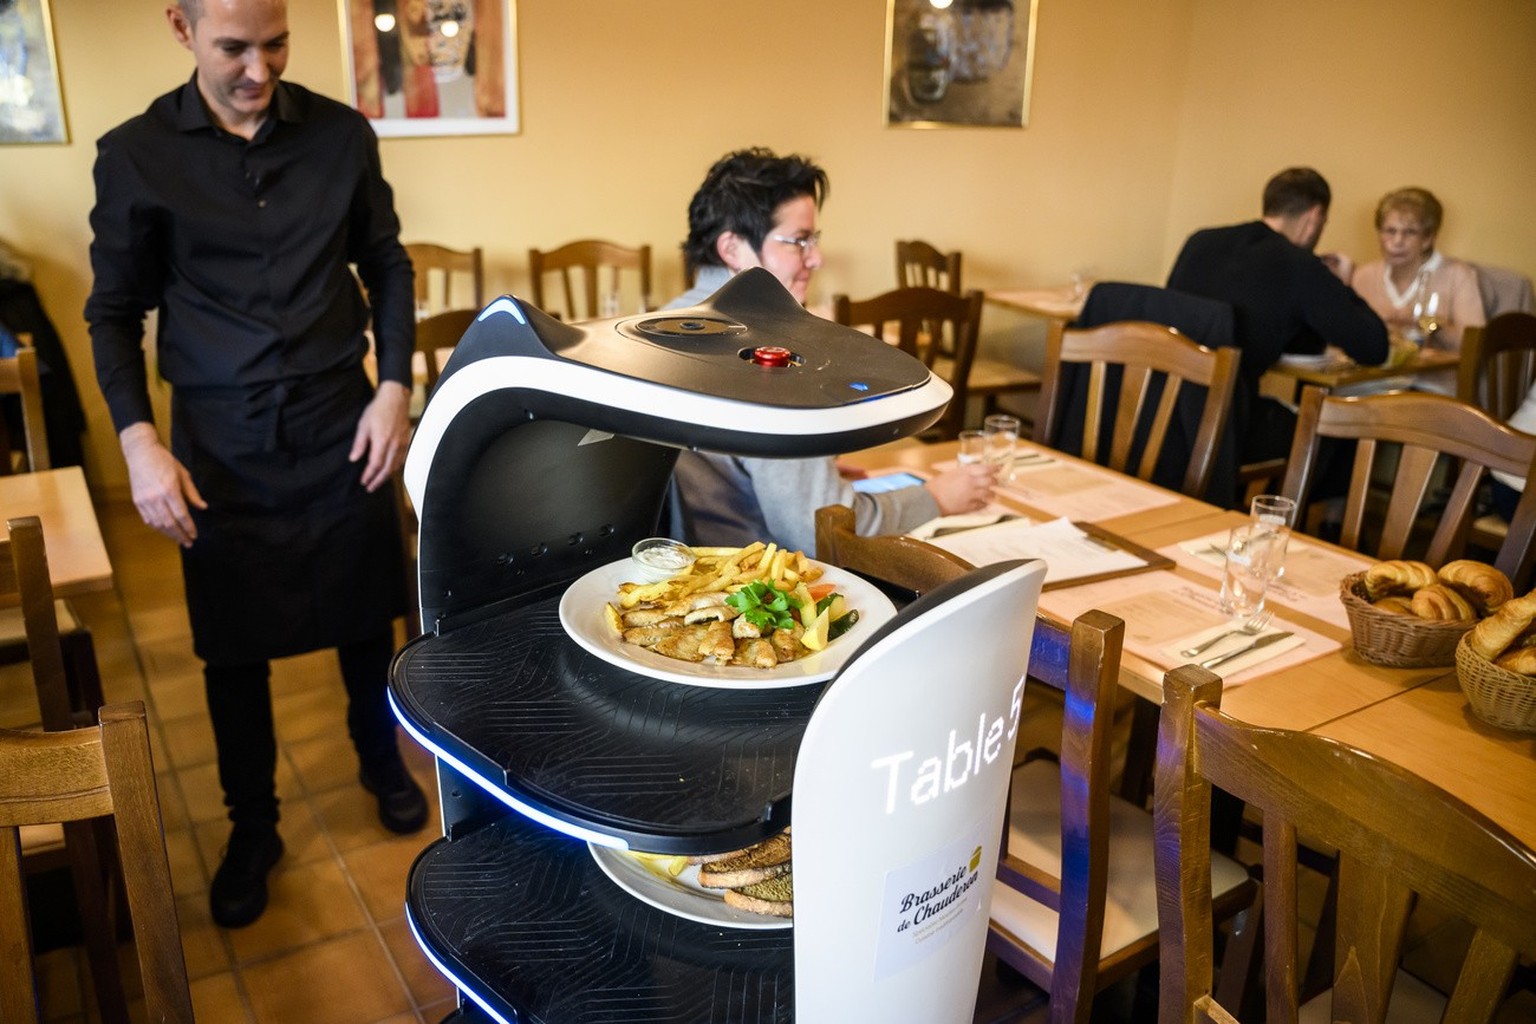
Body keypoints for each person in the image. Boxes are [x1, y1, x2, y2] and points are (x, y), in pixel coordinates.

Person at [85, 0, 425, 930]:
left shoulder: (343, 135)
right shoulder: (135, 154)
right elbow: (112, 312)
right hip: (219, 439)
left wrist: (392, 385)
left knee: (367, 610)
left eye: (276, 44)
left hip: (339, 416)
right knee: (233, 645)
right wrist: (138, 441)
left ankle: (377, 756)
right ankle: (254, 826)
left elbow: (385, 263)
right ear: (181, 27)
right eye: (234, 47)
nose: (258, 69)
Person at [664, 147, 997, 555]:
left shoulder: (660, 325)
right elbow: (817, 534)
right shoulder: (765, 358)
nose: (816, 259)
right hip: (758, 585)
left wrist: (811, 474)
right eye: (799, 242)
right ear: (732, 248)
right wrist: (938, 498)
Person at [1166, 167, 1389, 465]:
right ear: (1314, 217)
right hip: (1226, 424)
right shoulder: (1299, 265)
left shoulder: (1200, 242)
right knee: (1341, 439)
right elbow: (1374, 347)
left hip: (1162, 411)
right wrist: (1344, 282)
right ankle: (1284, 510)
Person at [1349, 187, 1484, 393]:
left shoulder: (1458, 275)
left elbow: (1476, 347)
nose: (1397, 242)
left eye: (1409, 232)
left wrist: (1432, 325)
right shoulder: (1363, 275)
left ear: (1428, 238)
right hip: (1370, 385)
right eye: (1390, 231)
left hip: (1431, 389)